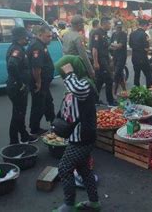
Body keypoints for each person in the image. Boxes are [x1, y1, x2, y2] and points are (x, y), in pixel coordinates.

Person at [54, 56, 100, 212]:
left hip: (82, 138)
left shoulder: (85, 84)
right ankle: (94, 203)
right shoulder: (76, 83)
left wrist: (69, 73)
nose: (62, 75)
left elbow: (78, 90)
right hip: (77, 136)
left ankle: (69, 205)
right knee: (84, 170)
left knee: (64, 168)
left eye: (62, 72)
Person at [6, 27, 37, 144]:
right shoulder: (17, 50)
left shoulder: (19, 48)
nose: (27, 39)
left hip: (18, 86)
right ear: (20, 38)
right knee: (17, 115)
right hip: (17, 87)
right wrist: (21, 83)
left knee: (20, 113)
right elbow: (12, 65)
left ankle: (24, 136)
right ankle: (13, 142)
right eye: (25, 37)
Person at [28, 26, 55, 136]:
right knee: (38, 105)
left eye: (51, 36)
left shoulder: (41, 45)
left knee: (48, 102)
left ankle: (54, 123)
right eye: (48, 36)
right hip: (40, 82)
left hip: (44, 82)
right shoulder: (37, 47)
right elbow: (36, 68)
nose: (50, 38)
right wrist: (38, 82)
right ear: (40, 35)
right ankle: (34, 129)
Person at [91, 17, 116, 106]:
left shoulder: (104, 33)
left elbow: (105, 48)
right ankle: (110, 101)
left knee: (100, 81)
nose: (110, 25)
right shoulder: (97, 33)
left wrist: (110, 58)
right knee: (109, 80)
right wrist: (96, 62)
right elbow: (94, 49)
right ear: (104, 24)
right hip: (100, 60)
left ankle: (95, 100)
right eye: (109, 24)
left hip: (105, 59)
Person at [62, 15, 95, 79]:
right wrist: (91, 71)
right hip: (75, 65)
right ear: (79, 25)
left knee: (70, 84)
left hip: (66, 64)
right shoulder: (77, 37)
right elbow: (83, 56)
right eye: (83, 24)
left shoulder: (66, 34)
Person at [129, 19, 152, 88]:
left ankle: (137, 90)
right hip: (142, 58)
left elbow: (130, 45)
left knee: (137, 74)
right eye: (147, 26)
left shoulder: (132, 34)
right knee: (148, 74)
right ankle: (149, 90)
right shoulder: (145, 35)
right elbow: (146, 48)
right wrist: (149, 50)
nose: (147, 28)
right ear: (144, 25)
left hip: (134, 57)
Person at [110, 20, 128, 96]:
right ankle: (125, 91)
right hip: (115, 56)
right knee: (120, 74)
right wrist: (115, 46)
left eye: (120, 27)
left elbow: (120, 45)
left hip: (122, 57)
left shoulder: (124, 34)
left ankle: (114, 92)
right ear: (115, 27)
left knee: (116, 73)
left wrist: (114, 46)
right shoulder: (113, 34)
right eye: (118, 27)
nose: (119, 28)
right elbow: (110, 45)